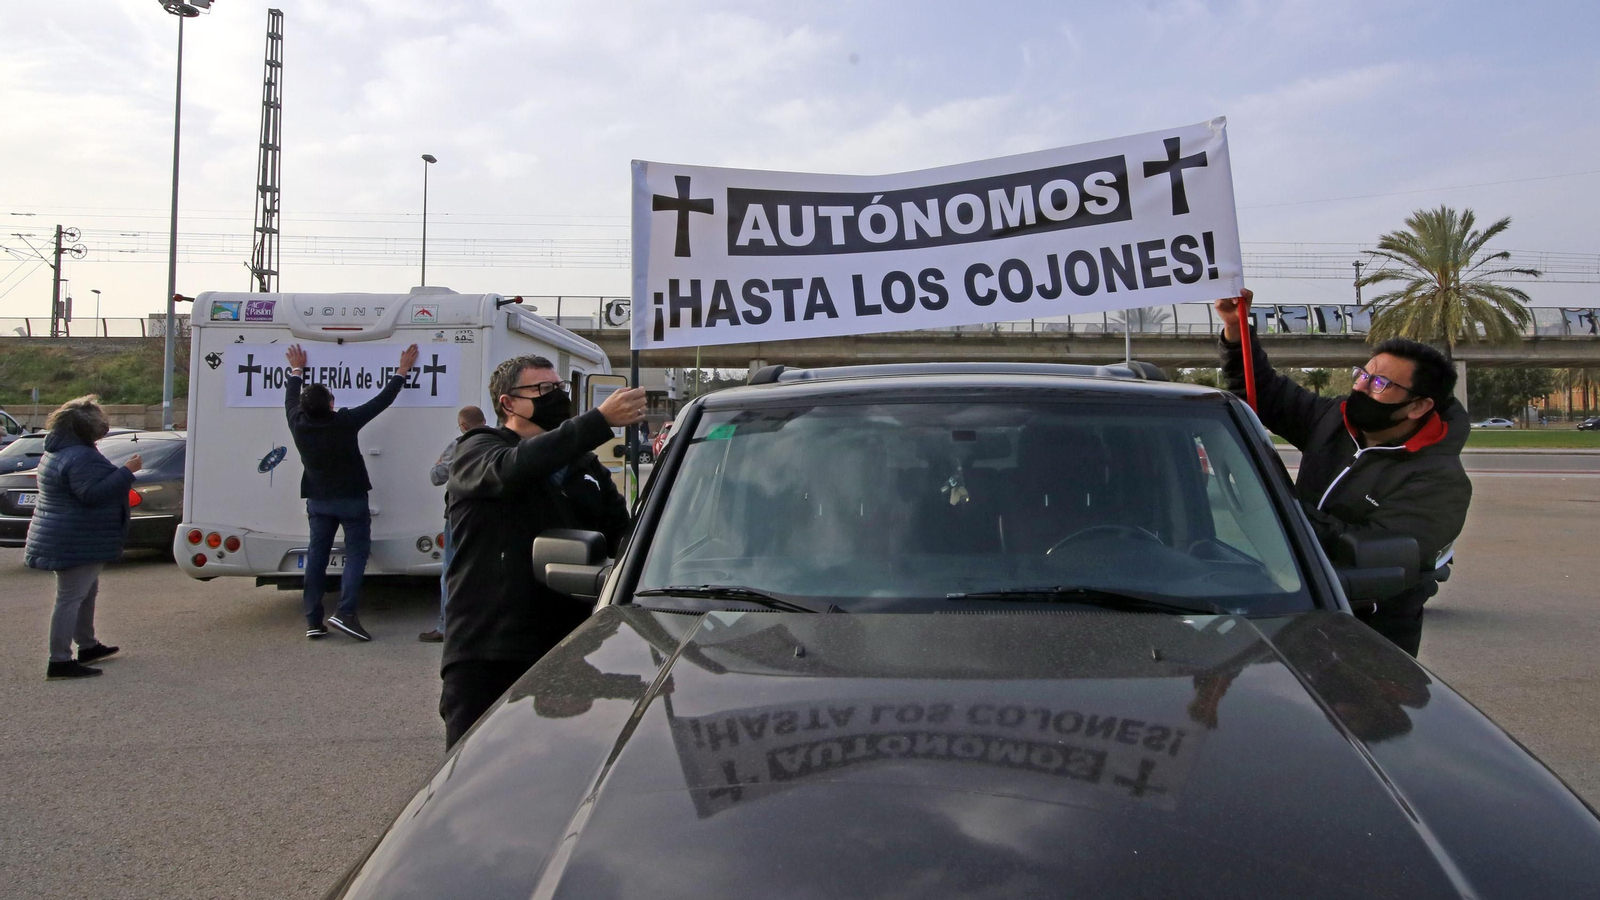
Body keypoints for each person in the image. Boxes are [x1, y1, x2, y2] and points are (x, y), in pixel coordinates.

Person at [1217, 289, 1472, 656]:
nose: (1362, 387)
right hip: (1300, 606)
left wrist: (1280, 510)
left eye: (1380, 384)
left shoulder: (1438, 481)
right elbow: (1263, 393)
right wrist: (1235, 327)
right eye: (1363, 375)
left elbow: (1368, 554)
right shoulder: (1334, 419)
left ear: (1418, 406)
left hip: (1370, 635)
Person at [439, 356, 646, 748]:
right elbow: (513, 469)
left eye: (560, 388)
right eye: (543, 390)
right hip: (489, 651)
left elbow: (625, 540)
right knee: (476, 774)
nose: (557, 397)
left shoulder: (585, 468)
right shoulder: (479, 451)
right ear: (508, 404)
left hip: (567, 648)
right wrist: (598, 422)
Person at [284, 342, 419, 642]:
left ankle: (313, 621)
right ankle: (345, 613)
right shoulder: (345, 421)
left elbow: (291, 396)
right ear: (332, 404)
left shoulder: (298, 423)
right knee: (357, 554)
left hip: (318, 501)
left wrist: (297, 369)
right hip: (352, 499)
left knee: (317, 557)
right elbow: (381, 401)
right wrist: (402, 371)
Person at [25, 395, 139, 680]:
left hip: (68, 535)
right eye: (101, 424)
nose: (105, 428)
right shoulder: (81, 456)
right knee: (70, 598)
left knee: (85, 593)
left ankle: (87, 646)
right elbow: (92, 493)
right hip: (75, 537)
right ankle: (60, 660)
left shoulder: (58, 451)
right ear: (85, 428)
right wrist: (127, 471)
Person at [419, 405, 485, 643]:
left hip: (458, 516)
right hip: (487, 515)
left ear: (464, 426)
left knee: (450, 571)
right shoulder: (498, 442)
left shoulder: (458, 445)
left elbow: (437, 476)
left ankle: (445, 627)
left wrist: (439, 464)